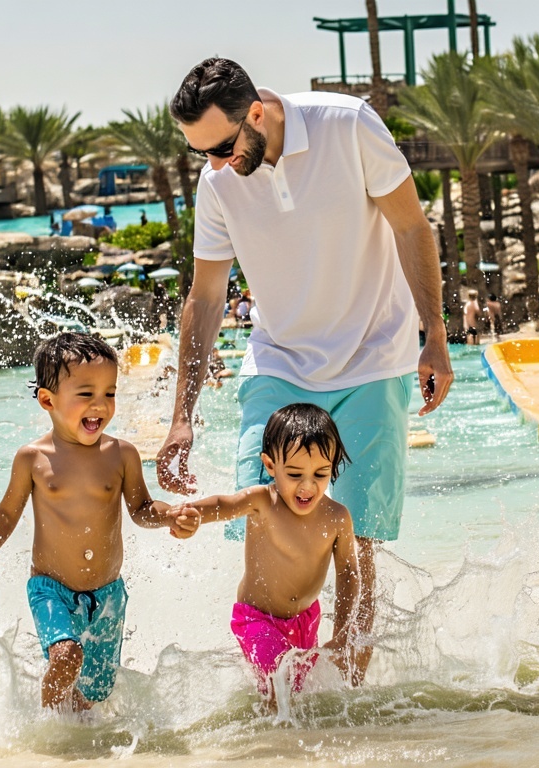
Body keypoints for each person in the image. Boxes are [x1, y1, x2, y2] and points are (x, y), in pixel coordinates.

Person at [161, 58, 453, 684]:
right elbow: (206, 296)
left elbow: (410, 226)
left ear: (257, 114)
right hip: (280, 361)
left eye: (220, 146)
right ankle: (277, 691)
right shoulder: (217, 184)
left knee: (358, 543)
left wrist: (435, 336)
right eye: (198, 153)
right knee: (260, 515)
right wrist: (182, 416)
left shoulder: (348, 126)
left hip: (374, 356)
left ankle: (346, 697)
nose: (212, 165)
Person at [0, 332, 193, 711]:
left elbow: (141, 508)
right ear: (47, 400)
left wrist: (169, 516)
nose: (100, 405)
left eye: (110, 393)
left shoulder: (122, 455)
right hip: (50, 589)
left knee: (95, 696)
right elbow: (7, 512)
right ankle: (50, 732)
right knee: (66, 657)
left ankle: (76, 732)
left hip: (108, 595)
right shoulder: (33, 458)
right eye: (86, 394)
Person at [171, 404, 359, 703]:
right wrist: (194, 515)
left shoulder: (337, 517)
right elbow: (225, 503)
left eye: (321, 473)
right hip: (257, 619)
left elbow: (349, 573)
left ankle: (283, 738)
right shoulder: (262, 502)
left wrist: (342, 632)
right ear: (271, 466)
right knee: (276, 684)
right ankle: (275, 745)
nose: (308, 486)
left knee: (297, 694)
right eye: (295, 473)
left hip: (306, 621)